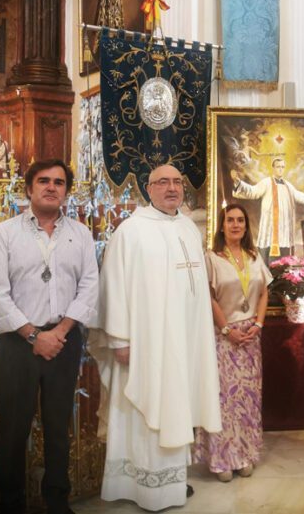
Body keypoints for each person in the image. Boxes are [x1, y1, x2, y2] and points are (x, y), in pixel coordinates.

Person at [90, 164, 222, 511]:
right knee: (144, 409)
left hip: (183, 340)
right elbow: (114, 285)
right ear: (148, 189)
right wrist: (119, 339)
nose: (172, 188)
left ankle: (173, 480)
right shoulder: (131, 231)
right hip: (145, 344)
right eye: (163, 182)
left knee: (177, 404)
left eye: (177, 182)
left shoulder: (188, 228)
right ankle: (143, 486)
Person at [0, 159, 98, 514]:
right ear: (29, 188)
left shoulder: (80, 234)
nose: (51, 187)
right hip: (17, 344)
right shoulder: (3, 234)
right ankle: (11, 503)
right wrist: (35, 336)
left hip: (64, 341)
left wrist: (60, 331)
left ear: (67, 191)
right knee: (14, 430)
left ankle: (57, 501)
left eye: (59, 182)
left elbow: (89, 286)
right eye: (44, 181)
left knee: (58, 426)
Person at [193, 204, 271, 482]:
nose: (236, 225)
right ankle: (222, 458)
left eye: (240, 220)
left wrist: (259, 324)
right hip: (223, 337)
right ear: (222, 225)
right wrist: (226, 329)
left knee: (248, 399)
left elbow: (264, 292)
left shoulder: (254, 256)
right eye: (230, 220)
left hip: (250, 337)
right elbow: (208, 296)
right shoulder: (211, 258)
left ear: (246, 226)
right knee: (224, 399)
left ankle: (245, 454)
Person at [231, 156, 304, 263]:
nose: (281, 169)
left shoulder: (288, 186)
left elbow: (300, 196)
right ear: (273, 168)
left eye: (282, 167)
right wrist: (238, 183)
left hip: (285, 228)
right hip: (270, 227)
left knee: (283, 260)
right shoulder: (266, 182)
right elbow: (252, 191)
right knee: (267, 259)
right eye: (278, 167)